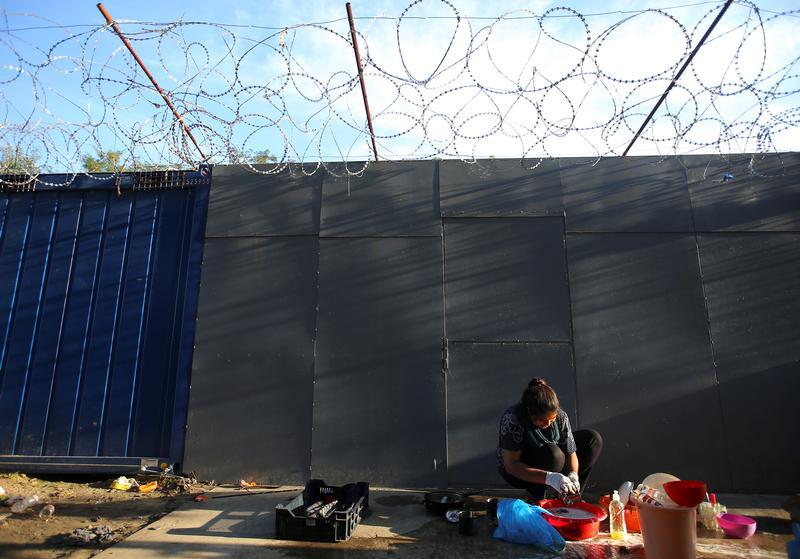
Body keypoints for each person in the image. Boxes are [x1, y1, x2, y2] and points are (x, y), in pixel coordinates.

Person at [497, 377, 602, 500]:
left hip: (555, 462)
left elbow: (570, 451)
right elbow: (511, 466)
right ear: (531, 413)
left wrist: (573, 474)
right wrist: (550, 478)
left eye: (552, 420)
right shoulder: (513, 419)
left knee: (592, 440)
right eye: (543, 421)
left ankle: (570, 494)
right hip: (521, 470)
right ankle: (539, 498)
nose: (549, 424)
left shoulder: (560, 416)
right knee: (554, 455)